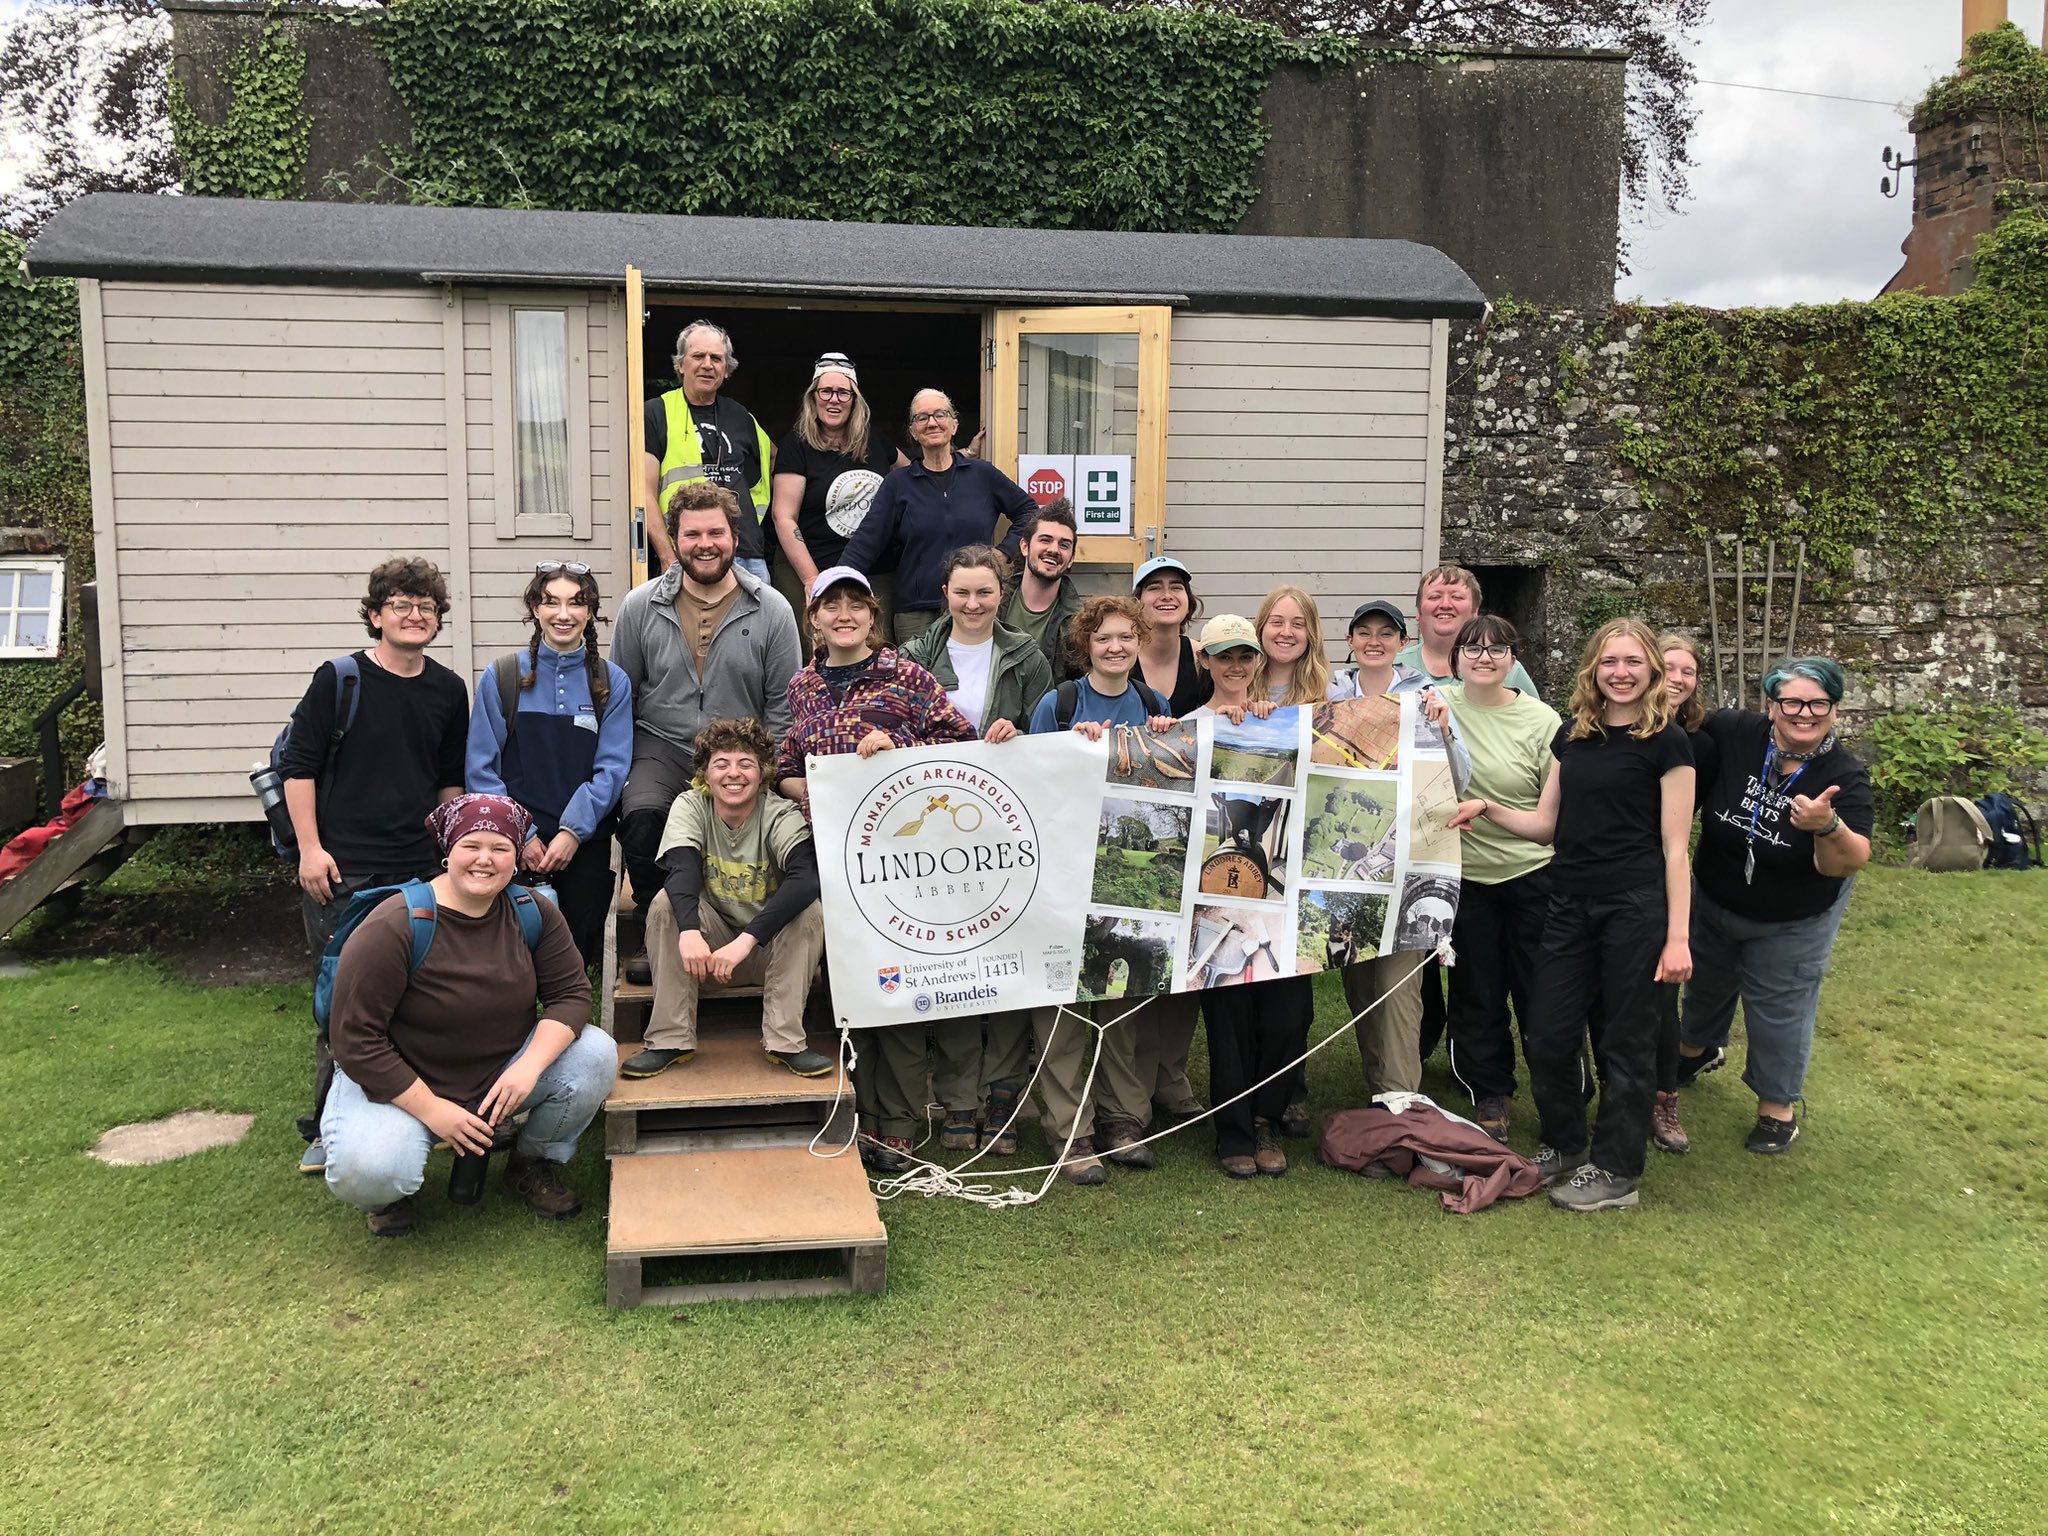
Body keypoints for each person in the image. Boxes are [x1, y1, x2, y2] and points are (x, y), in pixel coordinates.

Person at [1448, 617, 1695, 1212]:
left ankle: (1617, 1170)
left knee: (1624, 1040)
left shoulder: (1668, 744)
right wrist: (1485, 806)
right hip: (1567, 901)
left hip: (1635, 908)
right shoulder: (1573, 736)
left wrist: (1678, 937)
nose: (1621, 673)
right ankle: (1564, 1143)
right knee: (1549, 1032)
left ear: (1652, 671)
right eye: (1610, 662)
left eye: (1633, 662)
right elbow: (1545, 827)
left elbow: (1676, 848)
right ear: (1594, 669)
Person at [320, 793, 616, 1238]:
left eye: (500, 849)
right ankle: (391, 1191)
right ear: (447, 852)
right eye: (470, 846)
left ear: (516, 859)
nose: (485, 860)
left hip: (500, 1075)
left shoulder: (532, 912)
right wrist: (435, 1111)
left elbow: (571, 995)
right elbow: (355, 1039)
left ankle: (530, 1161)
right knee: (370, 1168)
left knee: (596, 1053)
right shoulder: (396, 923)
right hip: (404, 1079)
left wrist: (529, 1069)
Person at [776, 566, 979, 1170]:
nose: (844, 615)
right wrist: (804, 787)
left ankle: (900, 1121)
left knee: (896, 990)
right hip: (833, 860)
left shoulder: (906, 676)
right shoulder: (803, 686)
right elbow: (788, 763)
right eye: (830, 605)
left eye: (855, 605)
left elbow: (961, 745)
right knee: (849, 992)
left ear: (872, 614)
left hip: (902, 863)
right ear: (813, 618)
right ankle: (855, 1113)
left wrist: (899, 751)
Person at [281, 557, 469, 1174]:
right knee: (342, 1000)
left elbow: (448, 782)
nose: (415, 616)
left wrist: (449, 855)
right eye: (401, 605)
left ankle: (405, 1111)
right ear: (374, 615)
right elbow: (298, 768)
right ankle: (325, 1126)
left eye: (426, 607)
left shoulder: (447, 689)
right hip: (343, 870)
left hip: (417, 869)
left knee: (409, 997)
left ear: (438, 618)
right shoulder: (339, 681)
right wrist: (311, 849)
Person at [1674, 656, 1873, 1155]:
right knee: (1705, 980)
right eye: (1792, 701)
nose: (1804, 713)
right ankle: (1693, 1052)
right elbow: (1683, 722)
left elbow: (1847, 862)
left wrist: (1826, 827)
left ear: (1834, 708)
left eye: (1818, 703)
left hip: (1793, 916)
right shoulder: (1736, 732)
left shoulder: (1843, 775)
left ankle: (1777, 1109)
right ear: (1770, 706)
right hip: (1716, 894)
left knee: (1779, 1008)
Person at [899, 545, 1056, 1153]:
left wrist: (1018, 736)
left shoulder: (1028, 658)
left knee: (1008, 964)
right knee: (959, 967)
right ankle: (960, 1098)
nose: (972, 603)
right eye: (962, 592)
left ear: (1002, 595)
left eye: (985, 593)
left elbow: (1048, 738)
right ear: (946, 593)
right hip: (939, 835)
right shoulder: (914, 657)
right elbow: (905, 729)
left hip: (1008, 834)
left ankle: (1004, 1096)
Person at [611, 483, 803, 973]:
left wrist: (770, 771)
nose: (705, 543)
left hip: (742, 749)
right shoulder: (640, 606)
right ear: (674, 540)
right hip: (663, 744)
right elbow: (621, 695)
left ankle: (751, 932)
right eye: (692, 533)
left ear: (735, 537)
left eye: (716, 532)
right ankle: (660, 936)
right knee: (642, 812)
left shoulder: (772, 609)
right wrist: (621, 765)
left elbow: (783, 703)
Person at [1027, 594, 1176, 1185]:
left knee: (1127, 993)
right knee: (1063, 999)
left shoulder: (1153, 703)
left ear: (1140, 643)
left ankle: (1124, 1120)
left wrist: (1170, 737)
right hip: (1063, 870)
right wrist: (1072, 742)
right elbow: (1029, 777)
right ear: (1085, 644)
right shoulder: (1058, 703)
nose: (1115, 648)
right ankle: (1071, 1131)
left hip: (1132, 880)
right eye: (1104, 638)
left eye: (1126, 638)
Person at [1327, 598, 1469, 1117]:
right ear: (1350, 641)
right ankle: (1380, 1084)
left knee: (1399, 979)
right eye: (1364, 632)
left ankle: (1404, 1098)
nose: (1374, 641)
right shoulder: (1329, 693)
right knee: (1359, 974)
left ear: (1401, 642)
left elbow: (1461, 777)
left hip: (1408, 857)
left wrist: (1445, 728)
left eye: (1386, 634)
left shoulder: (1426, 694)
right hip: (1348, 868)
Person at [627, 717, 830, 1080]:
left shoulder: (779, 812)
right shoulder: (691, 806)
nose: (733, 774)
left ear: (763, 772)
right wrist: (689, 931)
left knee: (810, 910)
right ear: (706, 773)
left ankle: (786, 1042)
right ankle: (670, 1039)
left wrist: (746, 941)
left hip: (768, 956)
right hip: (705, 955)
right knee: (664, 904)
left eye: (745, 763)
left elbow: (805, 879)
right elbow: (682, 871)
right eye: (721, 764)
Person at [465, 561, 632, 966]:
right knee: (509, 952)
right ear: (535, 610)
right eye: (551, 602)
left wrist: (572, 833)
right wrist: (521, 835)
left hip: (583, 840)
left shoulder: (611, 683)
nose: (563, 614)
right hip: (513, 841)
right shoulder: (502, 676)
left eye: (576, 603)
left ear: (590, 612)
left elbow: (612, 768)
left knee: (574, 953)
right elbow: (481, 768)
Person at [1438, 614, 1562, 1141]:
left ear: (1513, 660)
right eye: (1472, 648)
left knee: (1542, 988)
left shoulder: (1542, 720)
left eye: (1496, 649)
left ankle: (1559, 1085)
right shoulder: (1434, 705)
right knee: (1477, 989)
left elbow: (1550, 812)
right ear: (1456, 657)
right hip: (1467, 877)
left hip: (1532, 872)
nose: (1483, 657)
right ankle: (1491, 1092)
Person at [1187, 614, 1292, 1177]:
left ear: (1258, 662)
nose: (1235, 666)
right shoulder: (1180, 725)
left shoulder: (1287, 722)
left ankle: (1268, 1118)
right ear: (1204, 660)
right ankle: (1233, 1129)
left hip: (1279, 896)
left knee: (1287, 1013)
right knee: (1227, 1010)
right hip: (1216, 894)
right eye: (1223, 656)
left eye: (1245, 656)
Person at [842, 388, 1038, 644]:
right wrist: (835, 582)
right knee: (916, 682)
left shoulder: (983, 475)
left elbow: (1030, 512)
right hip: (916, 612)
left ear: (954, 425)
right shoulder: (898, 484)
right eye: (921, 418)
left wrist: (1004, 552)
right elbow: (866, 541)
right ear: (913, 432)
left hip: (975, 603)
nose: (932, 422)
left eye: (940, 414)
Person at [1250, 584, 1330, 1140]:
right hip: (1255, 843)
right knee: (1249, 972)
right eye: (1275, 621)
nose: (1285, 631)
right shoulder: (1233, 680)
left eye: (1296, 623)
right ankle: (1247, 1089)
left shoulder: (1335, 689)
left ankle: (1290, 1088)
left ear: (1311, 634)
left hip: (1308, 849)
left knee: (1295, 980)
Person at [767, 352, 906, 625]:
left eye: (843, 392)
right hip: (811, 566)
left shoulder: (874, 440)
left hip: (874, 570)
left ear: (855, 400)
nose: (834, 399)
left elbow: (913, 475)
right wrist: (812, 580)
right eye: (826, 391)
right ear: (813, 397)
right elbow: (783, 517)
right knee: (815, 653)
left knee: (875, 653)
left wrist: (956, 456)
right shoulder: (797, 445)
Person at [1647, 631, 1716, 1154]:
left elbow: (1687, 827)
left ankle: (1662, 1096)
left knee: (1661, 998)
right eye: (1668, 667)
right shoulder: (1610, 729)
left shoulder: (1702, 744)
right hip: (1600, 873)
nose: (1677, 678)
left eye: (1688, 671)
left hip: (1661, 870)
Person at [642, 319, 774, 580]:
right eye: (698, 356)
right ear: (681, 364)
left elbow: (774, 459)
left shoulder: (741, 415)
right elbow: (642, 492)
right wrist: (668, 556)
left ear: (726, 369)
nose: (707, 365)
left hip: (746, 552)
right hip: (689, 552)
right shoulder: (657, 412)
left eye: (716, 358)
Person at [1398, 565, 1541, 692]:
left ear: (1475, 612)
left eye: (1457, 597)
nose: (1445, 604)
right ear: (1418, 611)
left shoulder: (1505, 669)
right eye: (1435, 597)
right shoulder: (1392, 667)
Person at [999, 498, 1082, 680]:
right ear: (1024, 546)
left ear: (1072, 558)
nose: (1054, 549)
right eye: (1045, 540)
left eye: (1064, 545)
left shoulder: (1079, 622)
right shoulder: (992, 602)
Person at [1132, 555, 1214, 717]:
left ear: (1188, 601)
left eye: (1176, 587)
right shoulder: (1121, 656)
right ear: (1136, 601)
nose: (1167, 595)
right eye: (1155, 587)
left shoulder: (1203, 659)